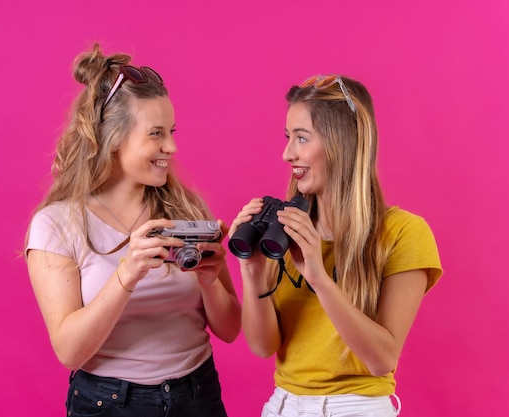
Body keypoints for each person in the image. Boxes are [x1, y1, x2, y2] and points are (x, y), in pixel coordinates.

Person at [25, 43, 241, 417]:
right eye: (156, 133)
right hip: (109, 404)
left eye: (172, 131)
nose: (171, 146)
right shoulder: (57, 225)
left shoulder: (188, 211)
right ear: (112, 140)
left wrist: (209, 280)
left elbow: (231, 329)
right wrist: (126, 275)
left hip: (198, 395)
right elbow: (70, 351)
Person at [228, 74, 442, 417]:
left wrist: (318, 276)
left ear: (340, 142)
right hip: (283, 404)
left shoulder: (404, 233)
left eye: (301, 138)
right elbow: (263, 346)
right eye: (288, 137)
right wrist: (250, 272)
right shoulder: (286, 231)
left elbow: (382, 359)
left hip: (355, 407)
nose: (287, 154)